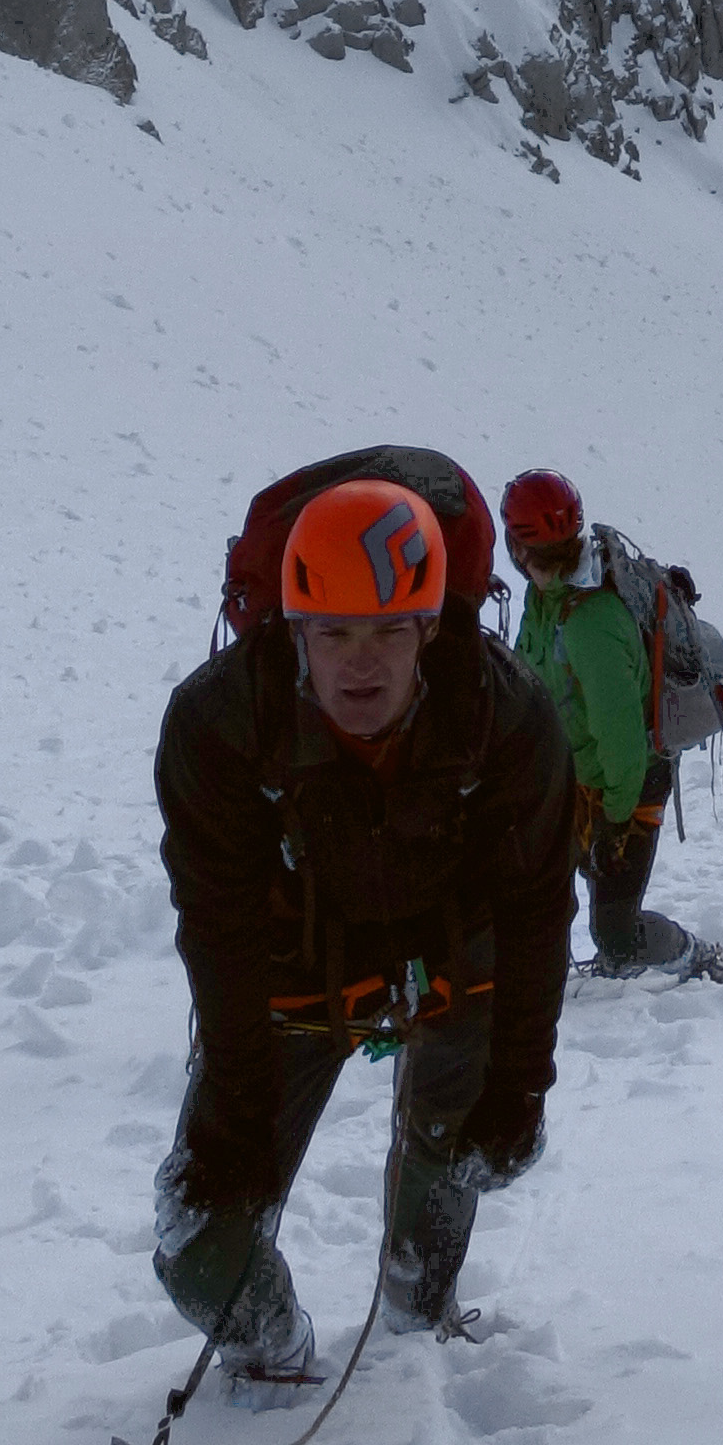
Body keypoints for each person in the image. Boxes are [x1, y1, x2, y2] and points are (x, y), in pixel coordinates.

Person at [148, 472, 572, 1376]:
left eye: (388, 630)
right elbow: (215, 923)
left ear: (431, 626)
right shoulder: (220, 724)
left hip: (458, 955)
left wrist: (522, 1080)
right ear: (293, 629)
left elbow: (538, 905)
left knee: (457, 1152)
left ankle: (420, 1329)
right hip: (292, 968)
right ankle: (277, 1353)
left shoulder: (505, 712)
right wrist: (238, 1115)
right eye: (333, 632)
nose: (361, 662)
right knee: (199, 1247)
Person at [503, 465, 723, 978]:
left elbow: (623, 745)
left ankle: (695, 956)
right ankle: (543, 983)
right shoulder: (544, 600)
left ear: (518, 547)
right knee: (540, 898)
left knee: (617, 933)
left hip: (628, 786)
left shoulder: (590, 626)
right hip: (567, 777)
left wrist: (614, 825)